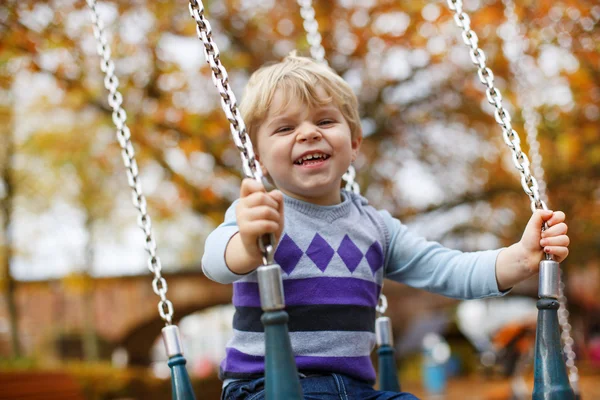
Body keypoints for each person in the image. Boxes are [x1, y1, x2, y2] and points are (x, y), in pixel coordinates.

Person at [201, 54, 570, 400]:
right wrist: (249, 246)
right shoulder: (259, 214)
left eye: (325, 121)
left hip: (355, 389)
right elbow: (215, 261)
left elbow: (447, 269)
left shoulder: (376, 227)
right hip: (266, 386)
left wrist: (520, 259)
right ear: (258, 158)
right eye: (285, 128)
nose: (308, 133)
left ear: (355, 143)